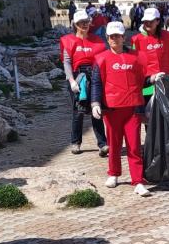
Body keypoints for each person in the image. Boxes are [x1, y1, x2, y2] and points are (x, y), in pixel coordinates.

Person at [91, 22, 153, 197]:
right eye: (112, 36)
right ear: (107, 38)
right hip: (111, 110)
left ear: (123, 37)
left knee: (133, 145)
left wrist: (154, 78)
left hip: (133, 109)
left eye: (118, 36)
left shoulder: (136, 57)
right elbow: (96, 82)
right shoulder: (101, 58)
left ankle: (138, 181)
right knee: (114, 145)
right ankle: (113, 173)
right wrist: (95, 103)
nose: (115, 39)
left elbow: (142, 80)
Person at [62, 11, 108, 156]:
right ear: (75, 24)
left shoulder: (98, 41)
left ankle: (103, 144)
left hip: (94, 76)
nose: (85, 24)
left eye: (87, 22)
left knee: (97, 109)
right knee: (78, 111)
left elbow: (104, 59)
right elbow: (67, 63)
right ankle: (75, 142)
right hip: (77, 77)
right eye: (81, 22)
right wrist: (71, 81)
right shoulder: (68, 41)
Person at [132, 7, 169, 102]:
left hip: (166, 83)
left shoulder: (167, 37)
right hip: (147, 86)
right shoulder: (137, 40)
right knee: (149, 115)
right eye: (146, 21)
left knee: (167, 115)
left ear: (158, 21)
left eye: (151, 20)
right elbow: (135, 65)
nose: (148, 23)